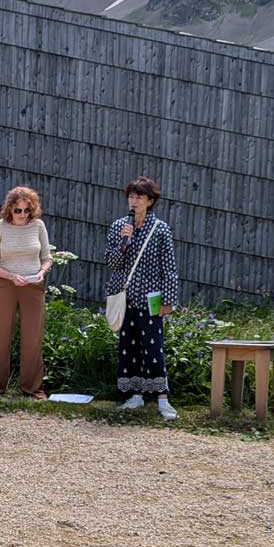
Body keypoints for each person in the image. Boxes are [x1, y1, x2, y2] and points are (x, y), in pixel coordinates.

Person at [106, 177, 182, 420]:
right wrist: (123, 243)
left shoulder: (160, 229)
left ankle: (162, 398)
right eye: (131, 196)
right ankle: (134, 395)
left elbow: (168, 268)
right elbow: (112, 263)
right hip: (125, 297)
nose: (134, 201)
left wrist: (168, 300)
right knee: (128, 348)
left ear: (150, 201)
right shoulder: (119, 226)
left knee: (153, 347)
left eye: (139, 197)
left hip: (151, 298)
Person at [0, 186, 53, 398]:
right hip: (5, 285)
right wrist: (11, 276)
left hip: (33, 286)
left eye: (26, 210)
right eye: (18, 210)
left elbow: (47, 257)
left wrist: (42, 272)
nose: (22, 214)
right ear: (9, 209)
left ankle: (32, 388)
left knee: (33, 336)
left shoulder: (38, 226)